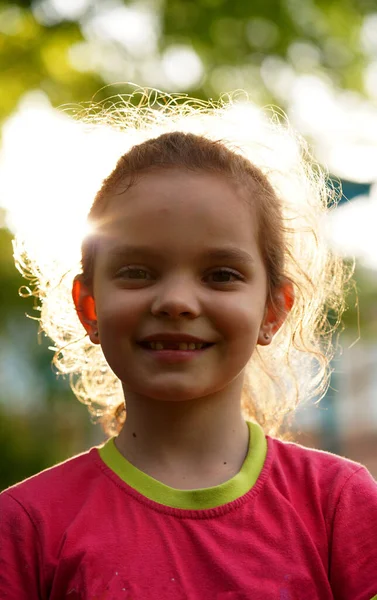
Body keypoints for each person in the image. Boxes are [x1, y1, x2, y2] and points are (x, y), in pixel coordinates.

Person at [0, 90, 376, 600]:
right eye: (137, 272)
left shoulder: (341, 508)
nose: (176, 301)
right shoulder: (25, 528)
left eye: (220, 274)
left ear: (273, 309)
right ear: (90, 307)